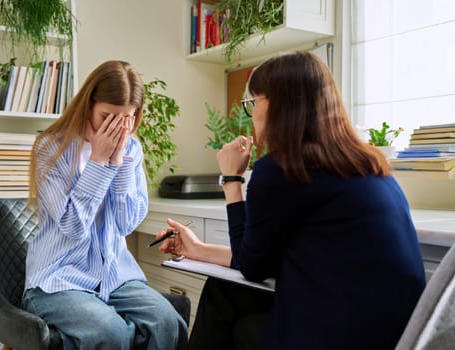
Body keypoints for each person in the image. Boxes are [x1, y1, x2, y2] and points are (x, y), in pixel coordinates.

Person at [156, 51, 426, 349]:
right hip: (396, 335)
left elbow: (253, 267)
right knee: (226, 292)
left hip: (343, 336)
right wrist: (199, 249)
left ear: (279, 105)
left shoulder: (281, 169)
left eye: (253, 101)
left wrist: (232, 179)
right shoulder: (370, 164)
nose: (252, 112)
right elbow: (264, 259)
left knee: (233, 311)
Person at [23, 61, 188, 350]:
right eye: (108, 117)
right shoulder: (50, 148)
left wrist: (119, 160)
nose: (117, 128)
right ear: (88, 105)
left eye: (126, 119)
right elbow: (73, 226)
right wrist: (99, 162)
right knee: (110, 332)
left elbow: (126, 224)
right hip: (58, 278)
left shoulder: (132, 149)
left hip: (116, 275)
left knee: (168, 323)